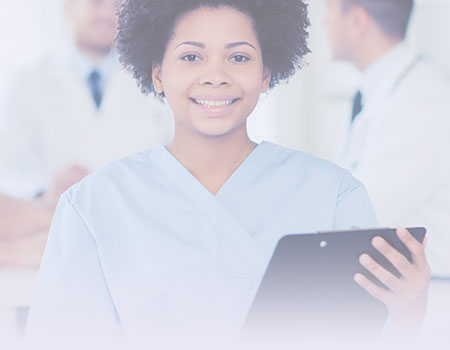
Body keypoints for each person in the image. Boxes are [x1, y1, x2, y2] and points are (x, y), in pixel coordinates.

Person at [25, 0, 430, 347]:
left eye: (238, 57)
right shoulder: (92, 205)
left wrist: (408, 316)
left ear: (266, 73)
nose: (215, 75)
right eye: (190, 57)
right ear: (158, 73)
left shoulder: (335, 193)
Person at [0, 0, 173, 266]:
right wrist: (45, 188)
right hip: (47, 235)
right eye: (96, 2)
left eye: (117, 4)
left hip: (132, 243)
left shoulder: (158, 80)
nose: (107, 12)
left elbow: (173, 167)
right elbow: (6, 170)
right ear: (67, 6)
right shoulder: (26, 82)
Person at [325, 0, 450, 278]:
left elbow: (360, 219)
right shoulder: (389, 92)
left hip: (435, 304)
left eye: (329, 10)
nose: (324, 22)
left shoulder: (418, 104)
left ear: (357, 20)